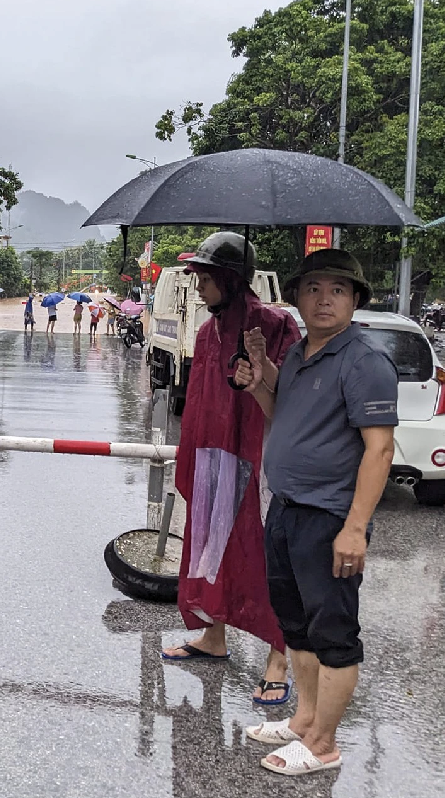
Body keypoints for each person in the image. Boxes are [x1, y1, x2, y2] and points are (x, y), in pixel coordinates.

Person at [235, 248, 398, 777]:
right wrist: (259, 375)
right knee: (297, 627)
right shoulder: (303, 355)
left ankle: (324, 744)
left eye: (337, 290)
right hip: (284, 510)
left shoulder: (364, 361)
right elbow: (279, 416)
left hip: (329, 518)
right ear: (298, 298)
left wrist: (355, 529)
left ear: (354, 300)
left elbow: (379, 450)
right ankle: (304, 720)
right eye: (313, 289)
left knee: (332, 633)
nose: (324, 299)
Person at [159, 232, 300, 711]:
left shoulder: (276, 325)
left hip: (261, 461)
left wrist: (260, 364)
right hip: (212, 457)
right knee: (210, 548)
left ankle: (278, 663)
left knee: (267, 558)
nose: (196, 286)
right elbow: (198, 404)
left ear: (229, 279)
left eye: (203, 277)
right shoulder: (206, 331)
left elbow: (292, 399)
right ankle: (212, 636)